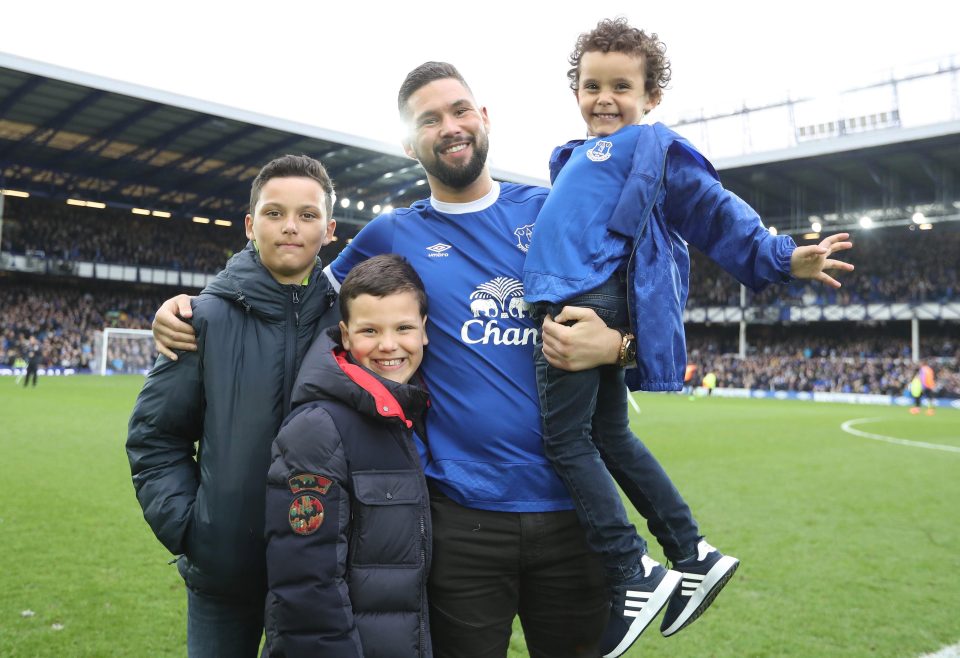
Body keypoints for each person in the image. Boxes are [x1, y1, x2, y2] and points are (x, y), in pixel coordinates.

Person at [153, 62, 623, 657]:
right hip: (460, 518)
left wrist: (618, 347)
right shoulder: (391, 233)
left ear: (485, 118)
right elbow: (297, 290)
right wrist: (198, 305)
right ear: (409, 143)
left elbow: (638, 299)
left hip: (571, 510)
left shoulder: (551, 209)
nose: (449, 127)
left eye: (459, 110)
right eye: (430, 119)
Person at [522, 18, 855, 657]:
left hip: (584, 302)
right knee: (607, 433)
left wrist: (782, 254)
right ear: (575, 91)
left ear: (651, 97)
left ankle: (631, 569)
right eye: (591, 85)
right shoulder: (572, 156)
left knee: (564, 440)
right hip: (579, 295)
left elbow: (711, 207)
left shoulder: (653, 148)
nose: (604, 98)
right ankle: (692, 554)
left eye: (622, 85)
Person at [126, 154, 339, 658]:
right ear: (250, 223)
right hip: (223, 577)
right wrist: (194, 530)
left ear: (329, 230)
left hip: (324, 575)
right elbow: (155, 437)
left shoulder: (350, 320)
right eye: (274, 213)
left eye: (308, 215)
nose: (290, 227)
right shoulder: (201, 319)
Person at [263, 254, 432, 657]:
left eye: (404, 328)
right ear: (345, 333)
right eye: (370, 330)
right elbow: (306, 587)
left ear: (424, 331)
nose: (389, 345)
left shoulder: (412, 413)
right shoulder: (317, 430)